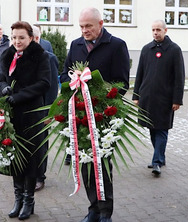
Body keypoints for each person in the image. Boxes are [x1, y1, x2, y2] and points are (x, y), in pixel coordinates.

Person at [60, 7, 129, 222]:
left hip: (103, 117)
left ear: (100, 23)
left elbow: (122, 84)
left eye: (88, 26)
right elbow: (64, 75)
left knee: (102, 166)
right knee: (85, 163)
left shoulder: (116, 45)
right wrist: (74, 77)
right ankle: (93, 209)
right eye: (81, 26)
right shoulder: (76, 45)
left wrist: (96, 88)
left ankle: (105, 212)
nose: (84, 30)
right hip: (80, 116)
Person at [0, 21, 51, 220]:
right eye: (14, 37)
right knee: (14, 158)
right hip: (13, 117)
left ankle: (28, 201)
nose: (17, 41)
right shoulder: (7, 55)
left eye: (21, 37)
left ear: (31, 37)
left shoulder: (41, 56)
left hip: (31, 115)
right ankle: (18, 199)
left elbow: (44, 83)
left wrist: (19, 96)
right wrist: (4, 88)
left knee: (30, 160)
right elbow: (1, 77)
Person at [132, 20, 185, 175]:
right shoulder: (146, 49)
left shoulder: (174, 50)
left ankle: (156, 162)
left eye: (158, 29)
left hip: (165, 99)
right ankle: (160, 156)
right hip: (147, 97)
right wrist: (136, 95)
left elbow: (179, 76)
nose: (155, 32)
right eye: (153, 29)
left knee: (161, 129)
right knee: (152, 129)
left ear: (165, 30)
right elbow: (140, 73)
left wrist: (177, 99)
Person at [32, 25, 59, 192]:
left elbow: (53, 87)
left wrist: (50, 111)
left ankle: (40, 177)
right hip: (25, 109)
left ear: (35, 39)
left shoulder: (49, 58)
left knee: (41, 143)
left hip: (42, 110)